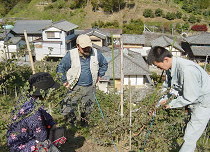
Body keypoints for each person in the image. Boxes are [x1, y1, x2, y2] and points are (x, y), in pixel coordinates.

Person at [147, 46, 210, 152]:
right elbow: (169, 89)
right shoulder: (171, 68)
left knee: (189, 137)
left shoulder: (187, 70)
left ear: (166, 59)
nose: (158, 69)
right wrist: (157, 106)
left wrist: (170, 104)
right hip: (195, 101)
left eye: (158, 66)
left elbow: (189, 96)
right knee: (189, 133)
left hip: (204, 103)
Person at [56, 34, 108, 125]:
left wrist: (100, 75)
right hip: (74, 86)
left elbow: (104, 64)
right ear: (78, 46)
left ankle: (85, 125)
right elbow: (60, 68)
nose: (87, 49)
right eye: (84, 48)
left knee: (88, 108)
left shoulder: (96, 53)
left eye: (88, 47)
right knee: (68, 106)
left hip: (90, 87)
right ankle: (70, 125)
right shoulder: (71, 55)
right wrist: (64, 81)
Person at [7, 72, 62, 152]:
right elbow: (41, 137)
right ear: (44, 93)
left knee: (57, 132)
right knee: (50, 145)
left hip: (17, 139)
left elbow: (45, 114)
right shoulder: (33, 113)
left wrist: (52, 123)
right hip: (22, 146)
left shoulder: (26, 98)